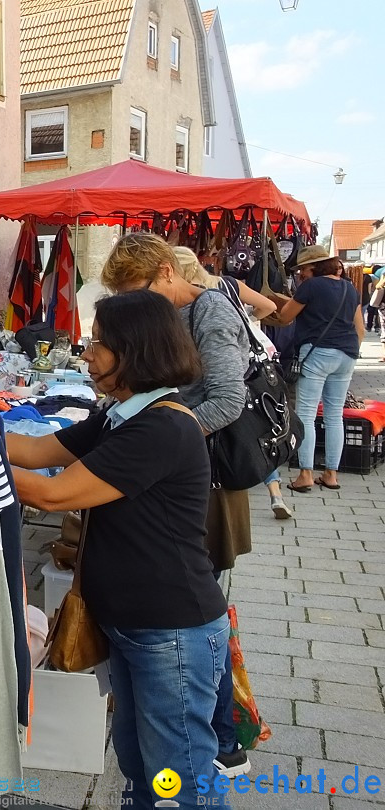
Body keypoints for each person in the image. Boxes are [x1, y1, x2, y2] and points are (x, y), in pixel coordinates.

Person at [8, 290, 229, 809]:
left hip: (170, 628)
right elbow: (39, 450)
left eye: (97, 345)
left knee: (178, 777)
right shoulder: (119, 417)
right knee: (137, 763)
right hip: (135, 625)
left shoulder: (162, 427)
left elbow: (51, 490)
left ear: (132, 352)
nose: (87, 355)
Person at [103, 232, 251, 777]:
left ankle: (221, 736)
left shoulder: (209, 311)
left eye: (137, 290)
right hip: (181, 467)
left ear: (166, 273)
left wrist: (164, 436)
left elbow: (228, 400)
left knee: (195, 600)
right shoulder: (176, 314)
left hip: (203, 477)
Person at [172, 248, 291, 520]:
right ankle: (275, 492)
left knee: (241, 421)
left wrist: (237, 326)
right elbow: (269, 306)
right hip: (244, 357)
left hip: (231, 365)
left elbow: (226, 400)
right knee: (253, 429)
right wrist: (249, 319)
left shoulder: (207, 302)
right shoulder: (227, 284)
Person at [271, 245, 364, 490]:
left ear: (314, 267)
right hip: (347, 354)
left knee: (307, 415)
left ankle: (306, 475)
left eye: (303, 268)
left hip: (317, 353)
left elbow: (285, 317)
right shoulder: (350, 288)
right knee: (334, 416)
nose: (301, 273)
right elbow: (360, 329)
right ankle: (331, 474)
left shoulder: (311, 286)